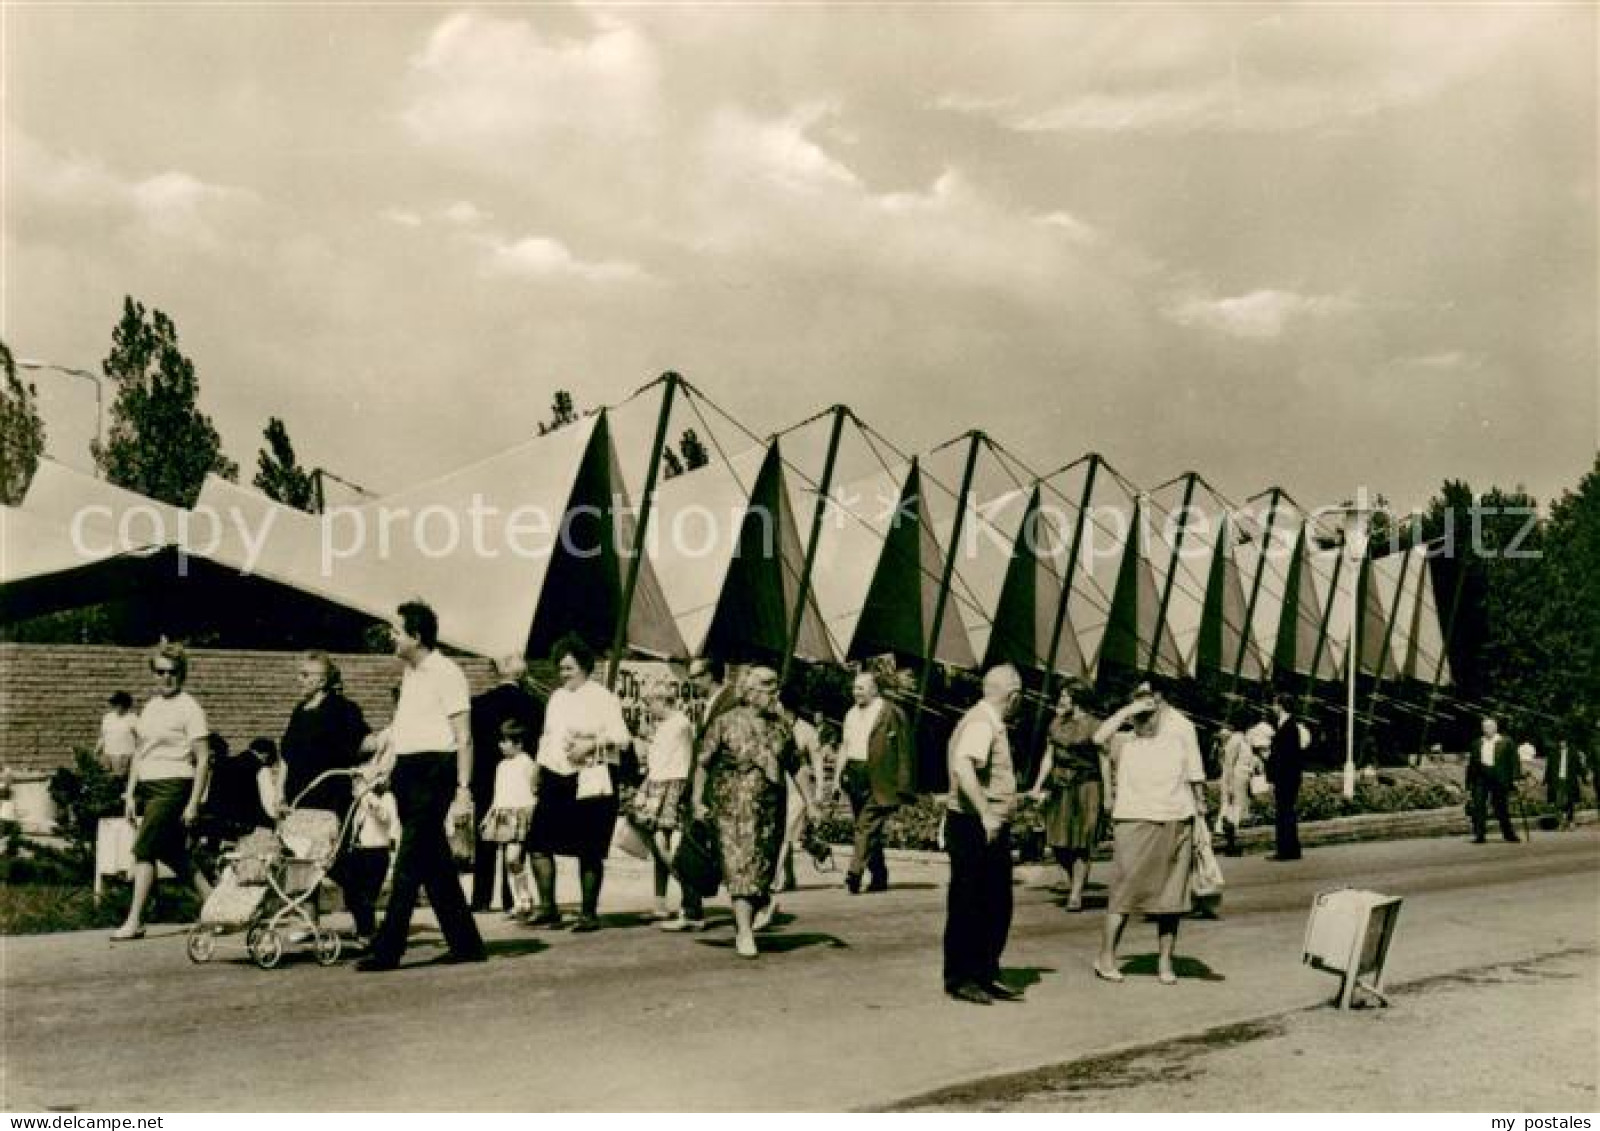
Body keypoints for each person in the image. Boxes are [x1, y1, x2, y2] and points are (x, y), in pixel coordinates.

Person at [356, 600, 486, 971]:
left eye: (397, 631)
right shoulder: (411, 674)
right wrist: (385, 766)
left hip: (436, 770)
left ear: (416, 635)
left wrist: (463, 789)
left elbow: (464, 736)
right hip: (409, 770)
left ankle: (388, 949)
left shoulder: (447, 672)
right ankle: (466, 944)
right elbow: (406, 729)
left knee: (409, 863)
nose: (391, 637)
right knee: (434, 865)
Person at [692, 666, 820, 959]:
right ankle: (744, 932)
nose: (774, 693)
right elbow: (703, 763)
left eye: (775, 688)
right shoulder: (724, 723)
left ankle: (755, 910)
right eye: (767, 688)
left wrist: (811, 803)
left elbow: (796, 766)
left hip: (770, 810)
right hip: (731, 808)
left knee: (761, 866)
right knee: (740, 866)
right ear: (750, 692)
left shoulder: (781, 726)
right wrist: (698, 801)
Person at [1093, 684, 1208, 985]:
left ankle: (1165, 960)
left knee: (1171, 897)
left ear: (1159, 697)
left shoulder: (1181, 728)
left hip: (1176, 816)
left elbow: (1195, 770)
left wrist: (1201, 812)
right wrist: (1128, 712)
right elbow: (1097, 737)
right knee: (1124, 890)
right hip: (1133, 818)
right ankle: (1106, 956)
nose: (1141, 703)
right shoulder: (1126, 734)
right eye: (1134, 697)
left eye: (1145, 695)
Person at [526, 634, 632, 933]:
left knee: (589, 848)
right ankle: (547, 907)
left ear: (585, 667)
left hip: (590, 780)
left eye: (569, 668)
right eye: (561, 669)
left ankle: (588, 913)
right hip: (555, 777)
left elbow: (622, 738)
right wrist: (537, 768)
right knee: (537, 843)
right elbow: (548, 737)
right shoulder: (557, 698)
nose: (564, 674)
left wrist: (589, 745)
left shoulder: (602, 697)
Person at [112, 643, 215, 941]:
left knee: (144, 850)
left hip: (174, 785)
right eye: (160, 672)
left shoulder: (190, 708)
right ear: (153, 674)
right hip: (148, 785)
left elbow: (204, 758)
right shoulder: (150, 707)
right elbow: (140, 753)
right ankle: (215, 903)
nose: (166, 678)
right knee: (173, 853)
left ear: (182, 674)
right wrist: (130, 793)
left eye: (172, 672)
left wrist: (194, 802)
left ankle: (135, 921)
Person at [943, 664, 1024, 1006]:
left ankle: (985, 970)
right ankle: (963, 977)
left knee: (995, 901)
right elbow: (964, 767)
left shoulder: (987, 721)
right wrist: (986, 814)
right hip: (975, 824)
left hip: (983, 823)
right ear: (1013, 696)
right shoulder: (981, 723)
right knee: (971, 901)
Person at [658, 656, 738, 933]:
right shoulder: (710, 705)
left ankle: (760, 901)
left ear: (709, 675)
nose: (691, 683)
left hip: (718, 789)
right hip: (704, 788)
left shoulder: (729, 703)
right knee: (696, 848)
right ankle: (691, 909)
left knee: (715, 849)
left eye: (695, 677)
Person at [1027, 682, 1107, 911]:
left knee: (1082, 842)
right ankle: (1074, 883)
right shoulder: (1056, 724)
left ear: (1078, 700)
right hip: (1060, 785)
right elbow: (1048, 757)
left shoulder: (1095, 726)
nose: (1061, 700)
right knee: (1058, 841)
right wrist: (1037, 785)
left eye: (1065, 696)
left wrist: (1109, 796)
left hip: (1087, 786)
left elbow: (1103, 760)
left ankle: (1076, 893)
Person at [469, 655, 540, 912]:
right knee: (516, 842)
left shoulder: (479, 704)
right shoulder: (534, 705)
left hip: (487, 778)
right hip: (521, 782)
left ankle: (481, 899)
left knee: (485, 838)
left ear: (498, 672)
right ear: (521, 675)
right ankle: (512, 898)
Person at [629, 680, 695, 919]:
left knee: (662, 842)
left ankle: (690, 890)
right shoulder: (665, 725)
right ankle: (660, 902)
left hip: (671, 785)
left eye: (649, 703)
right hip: (658, 784)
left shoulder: (678, 724)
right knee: (659, 846)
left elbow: (672, 762)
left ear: (660, 700)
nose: (648, 708)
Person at [480, 717, 539, 918]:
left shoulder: (527, 763)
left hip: (522, 813)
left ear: (518, 743)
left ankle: (525, 899)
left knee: (514, 858)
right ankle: (520, 902)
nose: (501, 745)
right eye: (501, 741)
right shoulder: (501, 766)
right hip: (504, 815)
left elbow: (534, 789)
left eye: (505, 741)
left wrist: (531, 813)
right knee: (508, 860)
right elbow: (498, 794)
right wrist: (489, 814)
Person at [775, 708, 827, 893]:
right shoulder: (776, 726)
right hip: (781, 785)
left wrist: (819, 793)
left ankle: (774, 879)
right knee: (784, 832)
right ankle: (789, 877)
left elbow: (817, 763)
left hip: (800, 789)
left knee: (786, 832)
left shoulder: (807, 731)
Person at [345, 779, 401, 944]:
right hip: (359, 850)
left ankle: (367, 932)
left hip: (376, 851)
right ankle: (364, 926)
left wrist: (368, 796)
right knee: (352, 894)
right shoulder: (360, 802)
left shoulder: (386, 797)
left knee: (367, 895)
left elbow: (385, 817)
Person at [1469, 715, 1521, 844]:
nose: (1487, 729)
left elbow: (1514, 761)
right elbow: (1471, 764)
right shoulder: (1477, 743)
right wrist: (1469, 782)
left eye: (1490, 727)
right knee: (1479, 807)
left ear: (1495, 727)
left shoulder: (1506, 741)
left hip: (1499, 777)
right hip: (1481, 777)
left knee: (1501, 807)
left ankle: (1508, 834)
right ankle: (1480, 835)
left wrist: (1515, 778)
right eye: (1485, 727)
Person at [1266, 696, 1305, 861]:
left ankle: (1285, 850)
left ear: (1281, 706)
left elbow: (1285, 755)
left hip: (1286, 777)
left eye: (1275, 704)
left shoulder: (1288, 726)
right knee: (1287, 811)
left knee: (1284, 812)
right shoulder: (1287, 725)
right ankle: (1291, 848)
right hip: (1288, 776)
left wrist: (1273, 771)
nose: (1273, 707)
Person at [1213, 723, 1257, 857]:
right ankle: (1229, 841)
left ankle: (1230, 840)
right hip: (1236, 779)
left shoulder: (1242, 739)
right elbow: (1229, 764)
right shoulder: (1237, 740)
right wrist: (1230, 784)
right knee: (1233, 809)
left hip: (1241, 779)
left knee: (1236, 809)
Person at [95, 691, 138, 778]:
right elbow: (103, 736)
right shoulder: (107, 718)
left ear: (125, 705)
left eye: (119, 704)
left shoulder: (133, 718)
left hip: (125, 756)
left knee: (122, 781)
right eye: (115, 704)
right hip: (109, 755)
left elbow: (139, 739)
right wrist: (97, 749)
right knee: (109, 781)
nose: (116, 706)